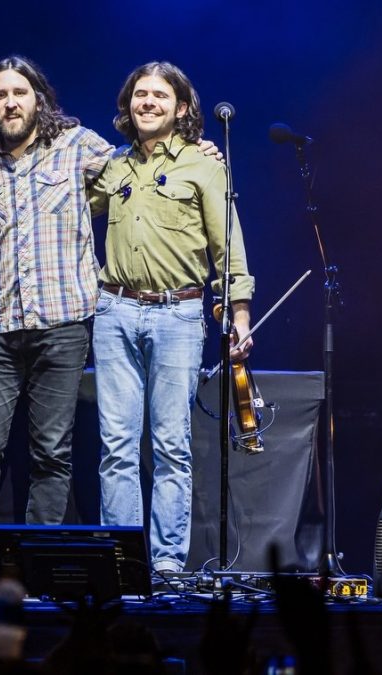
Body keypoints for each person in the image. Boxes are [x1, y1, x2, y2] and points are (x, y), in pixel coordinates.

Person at [0, 56, 114, 596]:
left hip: (63, 322)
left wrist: (191, 150)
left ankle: (36, 567)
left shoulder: (78, 145)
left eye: (20, 92)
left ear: (39, 97)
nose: (10, 102)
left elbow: (138, 171)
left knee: (50, 452)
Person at [89, 61, 254, 574]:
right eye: (140, 94)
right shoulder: (112, 166)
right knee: (116, 446)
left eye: (159, 95)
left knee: (170, 447)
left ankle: (165, 565)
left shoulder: (205, 165)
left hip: (178, 314)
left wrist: (240, 313)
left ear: (181, 107)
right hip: (113, 311)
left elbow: (229, 247)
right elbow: (64, 210)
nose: (148, 103)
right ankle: (122, 561)